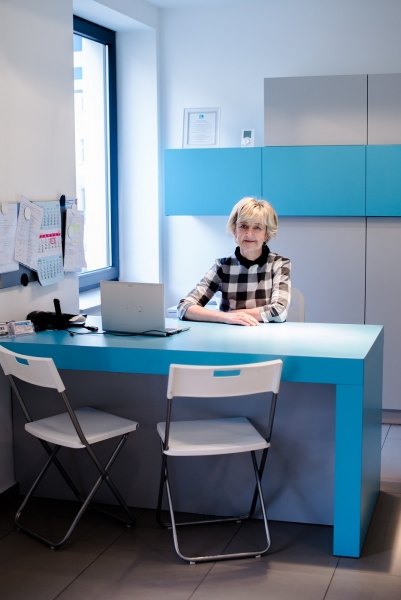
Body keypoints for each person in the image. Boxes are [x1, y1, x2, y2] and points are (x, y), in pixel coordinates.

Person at [178, 197, 291, 326]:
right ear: (234, 231)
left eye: (257, 227)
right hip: (228, 335)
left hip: (267, 335)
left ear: (266, 235)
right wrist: (225, 317)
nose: (249, 233)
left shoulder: (279, 264)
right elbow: (184, 307)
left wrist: (233, 314)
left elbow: (279, 311)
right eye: (243, 226)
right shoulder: (222, 267)